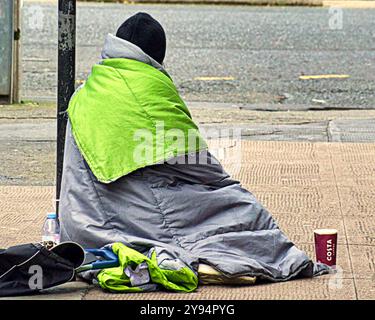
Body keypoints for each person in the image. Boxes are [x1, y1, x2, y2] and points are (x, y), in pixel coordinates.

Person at [59, 12, 330, 289]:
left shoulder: (86, 90)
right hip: (133, 211)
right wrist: (226, 187)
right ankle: (213, 261)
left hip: (79, 224)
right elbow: (197, 163)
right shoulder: (150, 87)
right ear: (155, 55)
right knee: (239, 207)